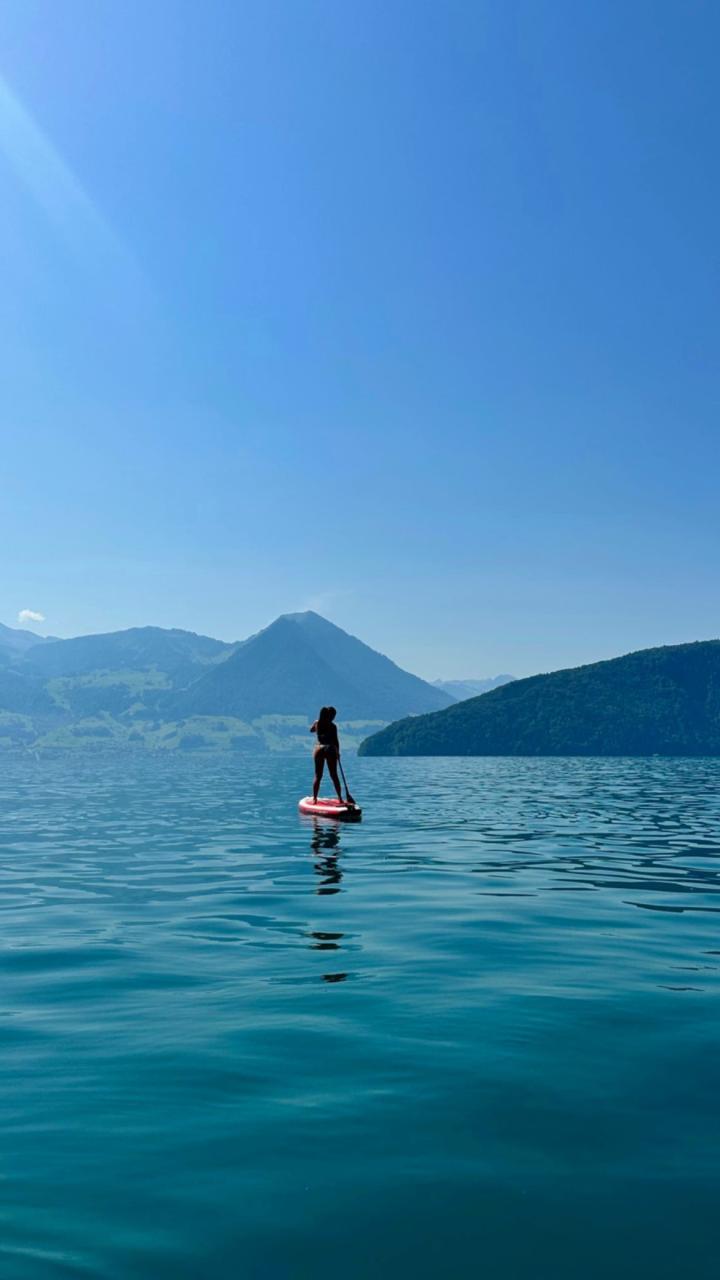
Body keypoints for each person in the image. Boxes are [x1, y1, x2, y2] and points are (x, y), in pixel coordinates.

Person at [309, 706, 344, 804]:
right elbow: (336, 741)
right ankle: (340, 798)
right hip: (330, 749)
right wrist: (338, 753)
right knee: (334, 775)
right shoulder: (333, 726)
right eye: (334, 716)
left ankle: (315, 799)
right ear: (331, 715)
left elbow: (311, 730)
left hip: (319, 749)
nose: (334, 717)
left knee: (318, 775)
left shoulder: (317, 723)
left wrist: (316, 724)